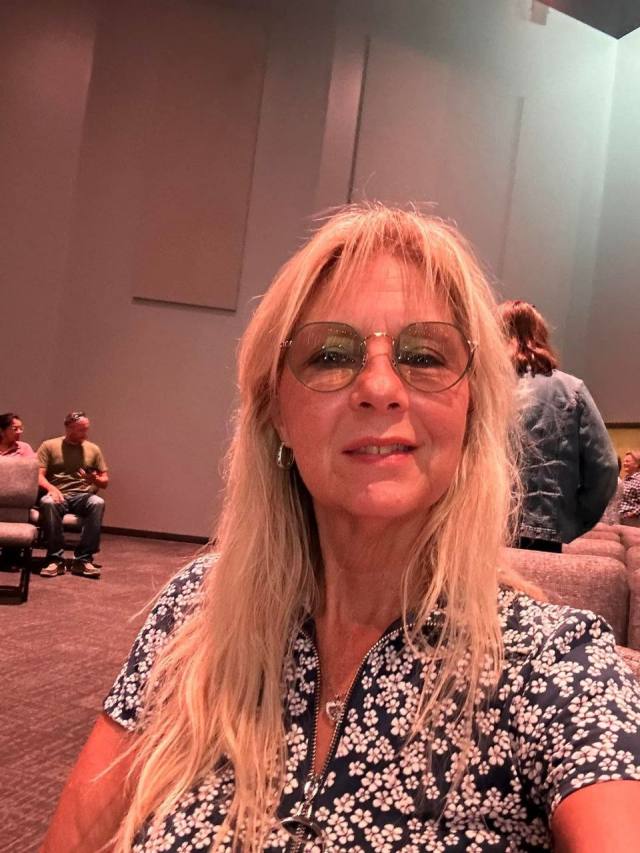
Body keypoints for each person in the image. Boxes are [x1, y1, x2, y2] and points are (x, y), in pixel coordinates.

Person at [43, 206, 640, 852]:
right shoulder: (194, 614)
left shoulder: (555, 663)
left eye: (424, 355)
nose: (379, 387)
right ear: (276, 412)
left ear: (472, 412)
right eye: (330, 355)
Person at [498, 300, 618, 552]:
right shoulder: (571, 390)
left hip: (477, 526)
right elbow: (606, 468)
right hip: (544, 530)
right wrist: (572, 519)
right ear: (540, 336)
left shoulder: (477, 388)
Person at [37, 411, 108, 579]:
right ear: (68, 428)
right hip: (57, 493)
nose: (85, 433)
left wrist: (94, 479)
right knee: (48, 502)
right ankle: (55, 559)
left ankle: (83, 559)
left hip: (81, 495)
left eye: (86, 429)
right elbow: (38, 475)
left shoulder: (93, 449)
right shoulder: (49, 446)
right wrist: (51, 488)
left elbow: (104, 481)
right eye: (81, 430)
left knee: (97, 502)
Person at [620, 450, 640, 527]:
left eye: (627, 461)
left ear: (637, 464)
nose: (624, 464)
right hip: (622, 517)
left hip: (632, 520)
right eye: (624, 461)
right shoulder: (625, 478)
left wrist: (632, 513)